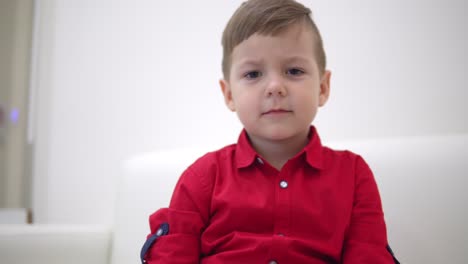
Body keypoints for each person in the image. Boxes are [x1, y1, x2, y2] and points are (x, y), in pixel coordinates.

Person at [141, 0, 399, 263]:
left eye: (294, 71)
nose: (275, 86)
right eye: (253, 74)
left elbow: (368, 255)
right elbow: (173, 256)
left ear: (322, 88)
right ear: (229, 94)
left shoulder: (354, 175)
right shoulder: (202, 177)